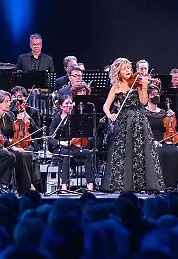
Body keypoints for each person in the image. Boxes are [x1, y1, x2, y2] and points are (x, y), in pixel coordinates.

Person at [102, 58, 164, 193]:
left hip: (139, 120)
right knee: (124, 151)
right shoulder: (116, 87)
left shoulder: (137, 84)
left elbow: (143, 102)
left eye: (129, 68)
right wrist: (110, 115)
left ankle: (143, 185)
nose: (129, 71)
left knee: (141, 151)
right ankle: (122, 185)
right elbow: (106, 106)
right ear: (118, 72)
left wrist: (145, 86)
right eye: (125, 69)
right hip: (123, 121)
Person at [0, 90, 38, 193]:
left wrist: (21, 122)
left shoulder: (8, 115)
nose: (9, 104)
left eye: (9, 101)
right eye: (6, 101)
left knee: (26, 154)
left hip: (8, 145)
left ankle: (24, 187)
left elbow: (13, 133)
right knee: (17, 155)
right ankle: (27, 186)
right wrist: (14, 147)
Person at [49, 97, 96, 193]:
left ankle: (90, 184)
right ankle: (64, 185)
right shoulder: (56, 119)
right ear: (61, 106)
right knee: (67, 154)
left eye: (70, 103)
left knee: (87, 153)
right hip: (59, 148)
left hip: (72, 146)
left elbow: (81, 133)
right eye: (66, 104)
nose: (69, 105)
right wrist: (61, 143)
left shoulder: (75, 118)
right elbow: (50, 139)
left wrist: (75, 139)